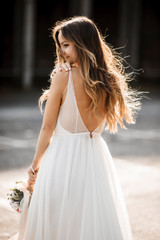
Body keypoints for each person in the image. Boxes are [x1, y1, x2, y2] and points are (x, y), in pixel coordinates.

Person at [9, 16, 142, 240]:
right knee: (89, 219)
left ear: (83, 43)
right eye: (60, 46)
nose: (62, 52)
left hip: (63, 157)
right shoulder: (108, 79)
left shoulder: (63, 76)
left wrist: (33, 168)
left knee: (58, 219)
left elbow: (47, 127)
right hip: (95, 158)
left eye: (66, 45)